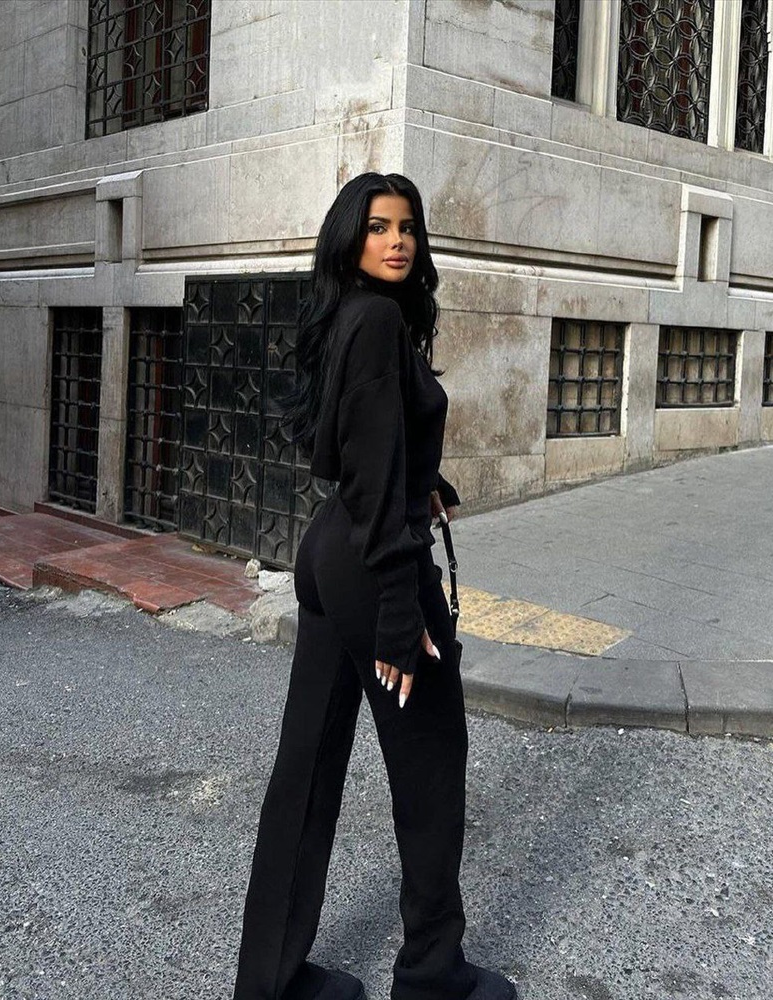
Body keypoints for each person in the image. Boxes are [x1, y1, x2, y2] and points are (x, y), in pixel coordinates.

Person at [232, 172, 515, 1000]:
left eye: (408, 228)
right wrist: (398, 610)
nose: (397, 241)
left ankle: (270, 981)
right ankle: (431, 974)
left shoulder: (348, 315)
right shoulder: (378, 320)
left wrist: (420, 483)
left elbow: (355, 446)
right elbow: (367, 457)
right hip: (371, 563)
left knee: (307, 766)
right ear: (349, 237)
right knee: (430, 766)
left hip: (333, 547)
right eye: (379, 227)